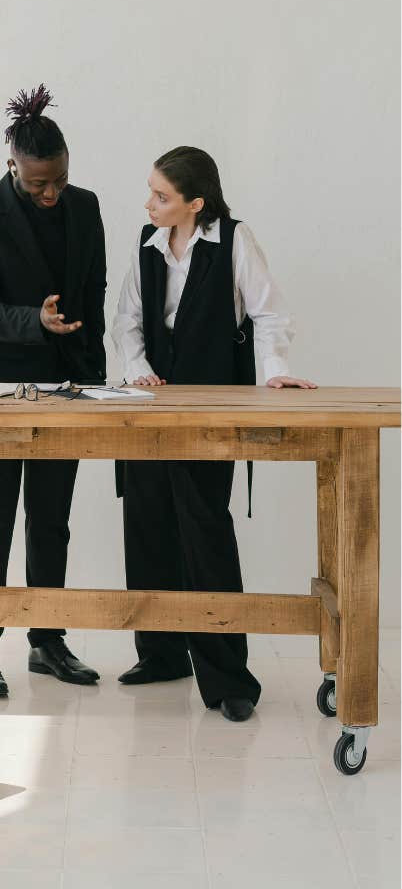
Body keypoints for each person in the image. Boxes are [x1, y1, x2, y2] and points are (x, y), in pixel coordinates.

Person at [111, 145, 316, 721]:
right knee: (147, 518)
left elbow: (269, 313)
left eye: (161, 195)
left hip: (210, 402)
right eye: (151, 191)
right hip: (149, 405)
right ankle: (160, 654)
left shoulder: (234, 240)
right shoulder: (146, 245)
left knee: (203, 526)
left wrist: (274, 373)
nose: (149, 203)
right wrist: (135, 369)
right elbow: (126, 321)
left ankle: (229, 679)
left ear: (195, 203)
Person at [0, 85, 107, 697]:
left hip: (69, 384)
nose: (51, 193)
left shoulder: (86, 207)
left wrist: (94, 379)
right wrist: (32, 321)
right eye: (39, 182)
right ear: (12, 164)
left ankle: (47, 640)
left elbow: (91, 294)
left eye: (60, 180)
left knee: (52, 520)